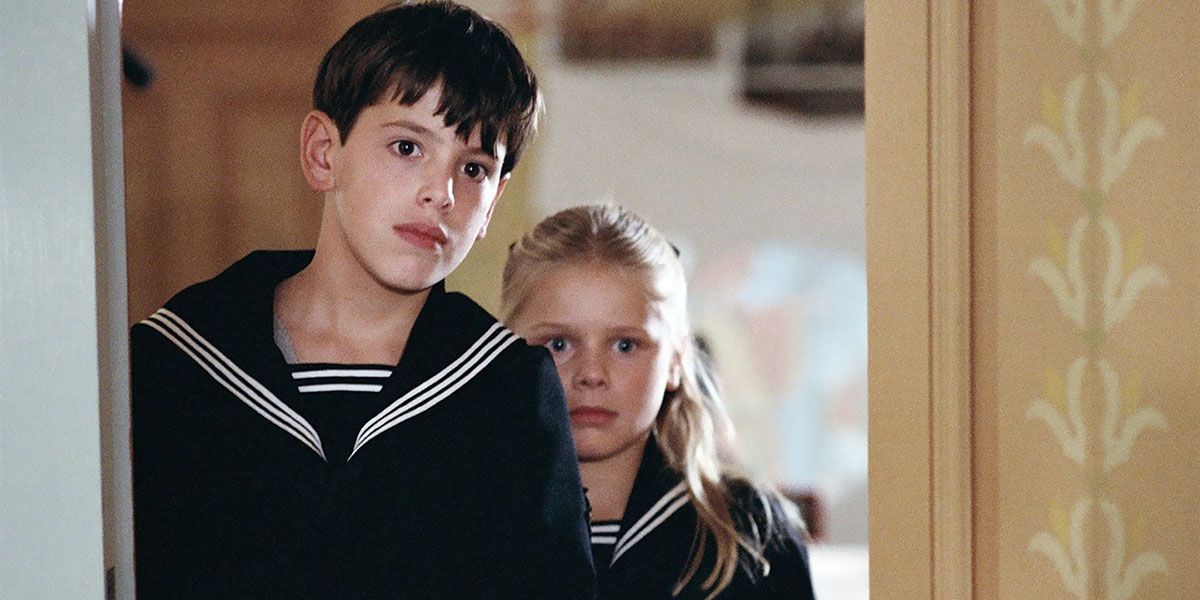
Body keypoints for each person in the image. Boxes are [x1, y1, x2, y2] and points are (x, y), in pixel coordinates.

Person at [129, 3, 594, 598]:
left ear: (494, 204)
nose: (440, 193)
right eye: (407, 148)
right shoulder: (171, 365)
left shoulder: (510, 389)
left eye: (473, 168)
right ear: (324, 152)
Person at [502, 205, 818, 599]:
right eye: (559, 344)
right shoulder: (462, 522)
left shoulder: (750, 534)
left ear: (675, 361)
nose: (591, 373)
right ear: (506, 351)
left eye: (625, 345)